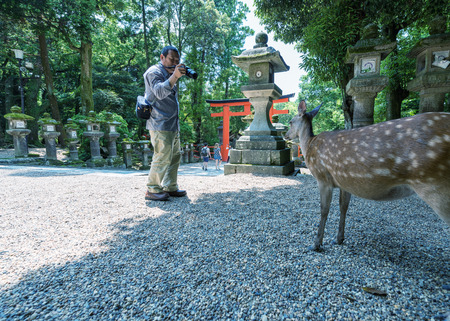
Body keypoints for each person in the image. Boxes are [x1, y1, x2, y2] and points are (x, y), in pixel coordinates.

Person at [143, 45, 187, 201]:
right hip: (159, 123)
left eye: (177, 60)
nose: (175, 63)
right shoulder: (153, 72)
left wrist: (174, 75)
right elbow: (160, 92)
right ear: (162, 57)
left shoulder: (169, 72)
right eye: (171, 59)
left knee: (175, 156)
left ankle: (170, 185)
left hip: (172, 123)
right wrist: (175, 76)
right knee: (162, 156)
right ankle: (152, 189)